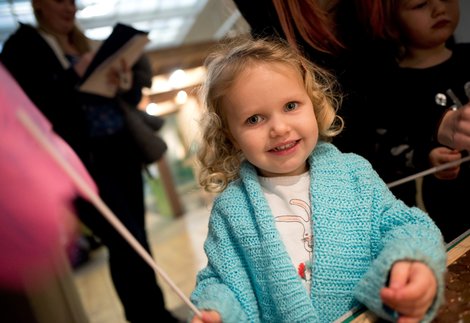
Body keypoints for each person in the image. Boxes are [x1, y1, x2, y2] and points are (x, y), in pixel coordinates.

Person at [189, 36, 446, 323]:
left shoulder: (354, 174)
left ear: (313, 104)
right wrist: (217, 311)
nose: (279, 128)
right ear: (230, 137)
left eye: (290, 106)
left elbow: (404, 226)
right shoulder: (231, 210)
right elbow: (222, 281)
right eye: (254, 119)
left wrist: (411, 262)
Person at [0, 1, 179, 322]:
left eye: (72, 1)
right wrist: (73, 75)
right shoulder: (24, 46)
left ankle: (153, 313)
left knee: (137, 237)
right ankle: (150, 317)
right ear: (39, 4)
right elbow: (32, 108)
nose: (69, 8)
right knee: (126, 241)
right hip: (83, 162)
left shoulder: (86, 44)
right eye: (59, 1)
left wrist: (123, 80)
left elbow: (126, 99)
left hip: (122, 151)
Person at [356, 0, 470, 242]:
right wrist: (428, 157)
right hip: (449, 216)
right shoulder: (391, 87)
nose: (439, 8)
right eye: (420, 4)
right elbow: (387, 148)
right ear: (392, 22)